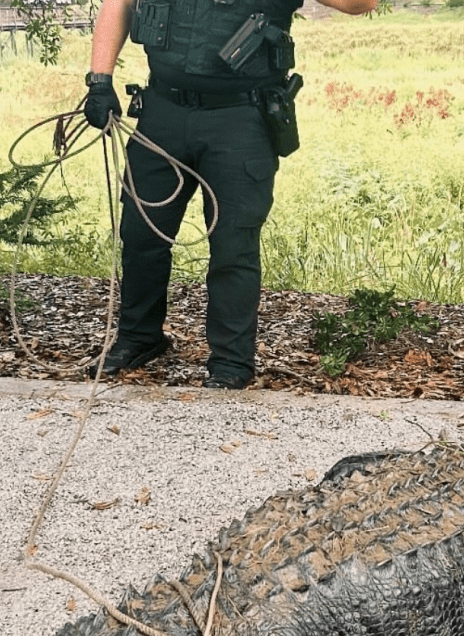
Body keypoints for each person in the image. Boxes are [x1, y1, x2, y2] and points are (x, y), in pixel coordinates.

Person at [84, 0, 376, 389]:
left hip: (240, 118)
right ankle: (139, 338)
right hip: (162, 110)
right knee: (141, 234)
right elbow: (119, 3)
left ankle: (231, 362)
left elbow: (360, 5)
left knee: (233, 246)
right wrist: (99, 82)